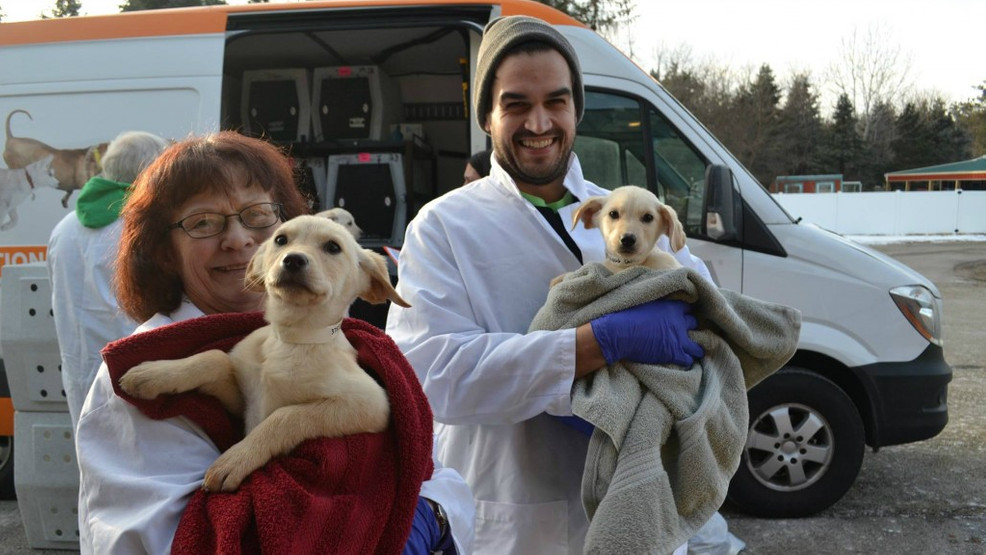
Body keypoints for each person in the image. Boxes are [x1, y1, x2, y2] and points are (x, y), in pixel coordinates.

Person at [387, 15, 740, 554]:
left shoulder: (625, 208)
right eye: (515, 104)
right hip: (516, 517)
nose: (539, 122)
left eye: (556, 101)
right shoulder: (442, 228)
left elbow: (705, 309)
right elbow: (429, 376)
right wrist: (597, 345)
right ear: (486, 116)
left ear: (577, 108)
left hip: (642, 502)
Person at [75, 131, 474, 554]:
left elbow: (432, 471)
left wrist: (430, 517)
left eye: (258, 215)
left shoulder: (359, 347)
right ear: (164, 252)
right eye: (203, 223)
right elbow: (151, 537)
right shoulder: (144, 366)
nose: (239, 239)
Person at [47, 130, 170, 429]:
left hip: (81, 370)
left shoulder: (64, 229)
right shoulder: (144, 227)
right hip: (138, 370)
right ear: (150, 172)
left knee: (92, 455)